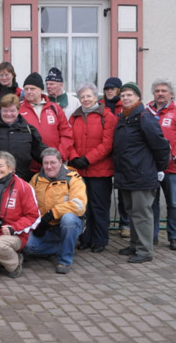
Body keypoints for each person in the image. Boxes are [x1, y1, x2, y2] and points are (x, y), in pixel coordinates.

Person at [114, 82, 170, 263]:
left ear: (138, 97)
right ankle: (135, 244)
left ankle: (145, 251)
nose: (126, 98)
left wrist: (159, 168)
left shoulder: (144, 117)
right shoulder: (124, 117)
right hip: (127, 174)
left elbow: (161, 146)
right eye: (123, 95)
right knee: (131, 211)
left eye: (129, 95)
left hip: (142, 174)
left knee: (142, 213)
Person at [69, 83, 117, 253]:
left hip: (100, 169)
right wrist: (74, 157)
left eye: (89, 96)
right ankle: (87, 237)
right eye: (82, 97)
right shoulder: (74, 117)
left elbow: (107, 144)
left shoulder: (107, 116)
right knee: (84, 206)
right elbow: (69, 139)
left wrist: (88, 159)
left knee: (99, 206)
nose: (86, 99)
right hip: (79, 169)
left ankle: (100, 239)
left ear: (95, 97)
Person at [23, 148, 87, 274]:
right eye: (46, 163)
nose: (49, 166)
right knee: (26, 245)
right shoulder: (36, 179)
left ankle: (64, 260)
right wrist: (35, 222)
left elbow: (79, 205)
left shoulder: (74, 179)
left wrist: (52, 214)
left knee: (68, 219)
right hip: (44, 227)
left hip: (67, 224)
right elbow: (27, 202)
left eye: (52, 162)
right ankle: (61, 247)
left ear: (60, 162)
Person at [0, 94, 47, 182]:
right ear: (0, 110)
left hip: (22, 178)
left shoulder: (28, 129)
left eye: (12, 111)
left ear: (18, 110)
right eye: (5, 111)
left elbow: (38, 150)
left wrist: (53, 159)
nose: (8, 114)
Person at [146, 79, 176, 250]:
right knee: (151, 203)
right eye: (157, 90)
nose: (160, 93)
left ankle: (175, 237)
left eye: (164, 91)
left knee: (174, 203)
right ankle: (151, 237)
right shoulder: (147, 112)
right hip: (150, 167)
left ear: (171, 94)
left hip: (172, 167)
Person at [19, 72, 73, 168]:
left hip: (52, 165)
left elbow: (66, 134)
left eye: (32, 89)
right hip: (28, 166)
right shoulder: (18, 109)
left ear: (41, 90)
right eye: (26, 89)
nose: (28, 91)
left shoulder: (55, 108)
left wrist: (60, 156)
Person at [99, 76, 128, 237]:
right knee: (103, 193)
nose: (109, 91)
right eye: (107, 89)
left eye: (112, 88)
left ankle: (125, 223)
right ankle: (105, 224)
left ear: (119, 90)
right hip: (104, 155)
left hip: (121, 154)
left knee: (123, 192)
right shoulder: (99, 105)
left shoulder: (124, 106)